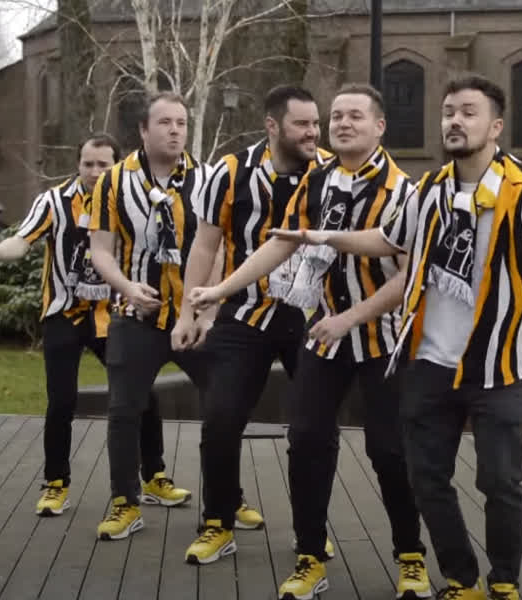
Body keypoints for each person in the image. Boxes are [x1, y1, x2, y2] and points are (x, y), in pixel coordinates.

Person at [250, 75, 522, 600]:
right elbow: (387, 239)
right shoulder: (429, 189)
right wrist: (324, 235)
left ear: (495, 127)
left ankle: (504, 582)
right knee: (424, 477)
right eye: (449, 111)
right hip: (429, 363)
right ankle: (461, 579)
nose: (454, 120)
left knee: (499, 481)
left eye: (469, 112)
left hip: (498, 366)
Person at [189, 83, 432, 600]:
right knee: (305, 442)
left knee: (389, 451)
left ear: (379, 127)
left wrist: (349, 318)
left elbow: (409, 277)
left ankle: (410, 557)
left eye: (354, 116)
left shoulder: (403, 190)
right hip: (324, 337)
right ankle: (309, 555)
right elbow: (283, 244)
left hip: (382, 338)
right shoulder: (317, 180)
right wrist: (220, 290)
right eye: (336, 115)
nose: (341, 124)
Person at [175, 84, 335, 566]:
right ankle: (218, 522)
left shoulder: (332, 173)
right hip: (244, 312)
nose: (312, 132)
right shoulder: (229, 172)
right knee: (220, 418)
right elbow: (205, 245)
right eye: (301, 124)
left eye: (315, 123)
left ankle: (311, 533)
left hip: (310, 317)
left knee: (315, 430)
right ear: (272, 126)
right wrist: (188, 312)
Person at [0, 134, 168, 518]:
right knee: (61, 401)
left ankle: (154, 475)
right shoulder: (54, 201)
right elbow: (21, 241)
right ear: (78, 164)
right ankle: (56, 484)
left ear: (117, 165)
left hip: (113, 314)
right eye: (87, 164)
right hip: (64, 313)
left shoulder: (133, 200)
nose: (94, 172)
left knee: (143, 393)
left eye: (103, 165)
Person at [87, 92, 212, 540]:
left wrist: (206, 311)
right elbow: (100, 250)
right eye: (164, 122)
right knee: (124, 410)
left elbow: (220, 246)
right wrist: (126, 287)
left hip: (194, 317)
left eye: (181, 123)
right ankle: (125, 503)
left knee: (225, 407)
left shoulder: (207, 178)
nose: (175, 131)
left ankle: (227, 500)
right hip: (136, 315)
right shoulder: (112, 181)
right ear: (143, 130)